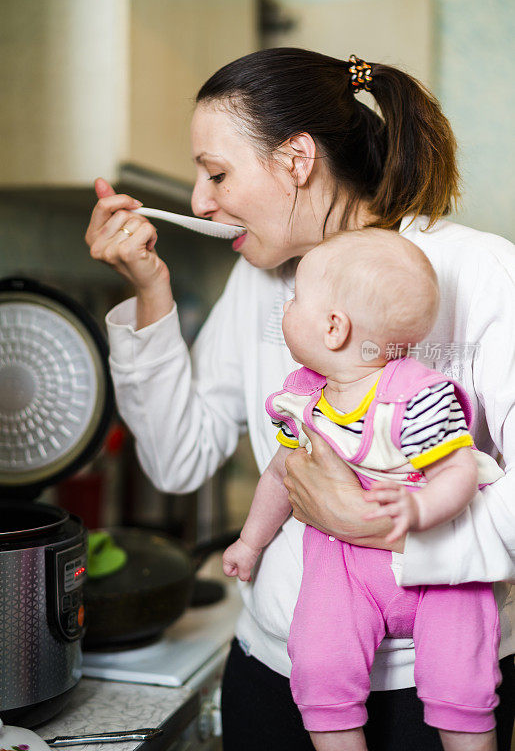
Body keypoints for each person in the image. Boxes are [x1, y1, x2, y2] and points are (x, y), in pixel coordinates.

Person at [85, 47, 515, 751]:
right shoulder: (261, 285)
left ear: (297, 159)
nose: (200, 202)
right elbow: (177, 462)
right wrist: (149, 291)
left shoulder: (476, 271)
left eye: (217, 173)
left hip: (430, 701)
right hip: (271, 680)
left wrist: (391, 532)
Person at [222, 228, 505, 751]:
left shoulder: (416, 397)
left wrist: (419, 508)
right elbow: (282, 475)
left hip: (437, 570)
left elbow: (461, 471)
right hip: (344, 566)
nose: (287, 308)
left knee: (460, 672)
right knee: (320, 659)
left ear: (333, 327)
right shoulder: (304, 400)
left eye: (297, 299)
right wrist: (250, 542)